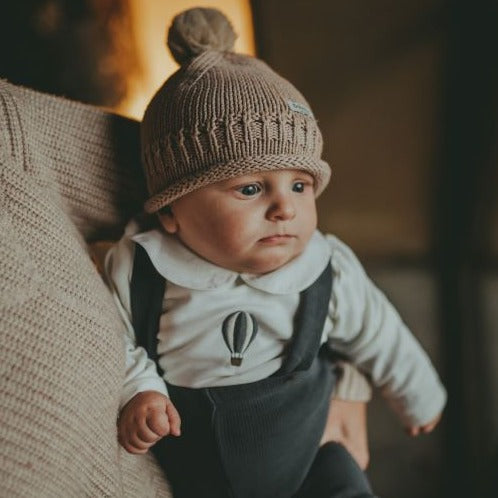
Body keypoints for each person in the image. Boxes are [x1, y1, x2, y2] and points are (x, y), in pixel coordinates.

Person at [105, 7, 446, 498]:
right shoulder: (143, 266)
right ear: (172, 210)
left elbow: (378, 329)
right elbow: (114, 339)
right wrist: (142, 389)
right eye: (249, 189)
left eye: (301, 184)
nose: (284, 207)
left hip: (309, 462)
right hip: (194, 472)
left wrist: (419, 395)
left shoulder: (325, 267)